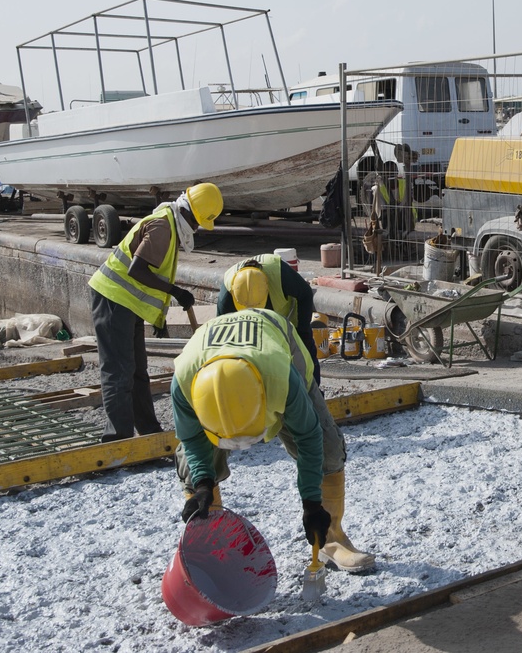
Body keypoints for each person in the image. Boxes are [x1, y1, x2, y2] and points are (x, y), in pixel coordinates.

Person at [172, 307, 376, 571]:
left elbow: (308, 436)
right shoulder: (184, 382)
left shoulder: (282, 378)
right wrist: (202, 484)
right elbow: (191, 438)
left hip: (278, 343)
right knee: (189, 465)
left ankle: (331, 541)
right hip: (216, 352)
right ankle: (212, 552)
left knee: (328, 447)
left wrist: (312, 504)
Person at [88, 183, 223, 443]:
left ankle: (149, 434)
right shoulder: (163, 227)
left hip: (127, 304)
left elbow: (148, 280)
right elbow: (136, 270)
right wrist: (176, 291)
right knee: (119, 371)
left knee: (138, 371)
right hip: (113, 300)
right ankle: (117, 441)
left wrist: (159, 318)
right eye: (199, 224)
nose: (197, 229)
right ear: (193, 215)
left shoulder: (169, 223)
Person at [217, 254, 320, 384]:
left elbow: (306, 294)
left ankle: (313, 393)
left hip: (287, 317)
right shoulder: (226, 295)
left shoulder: (281, 275)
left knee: (305, 355)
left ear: (267, 288)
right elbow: (221, 337)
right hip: (247, 327)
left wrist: (303, 332)